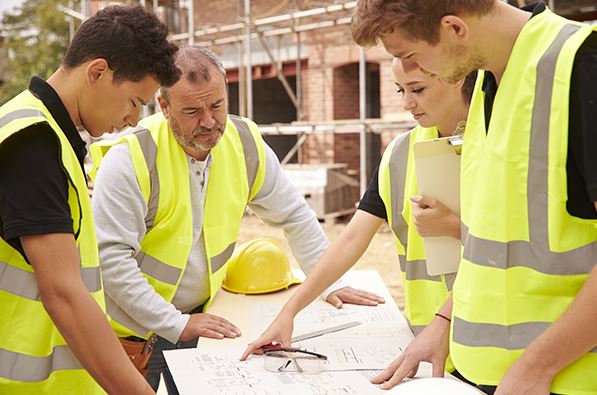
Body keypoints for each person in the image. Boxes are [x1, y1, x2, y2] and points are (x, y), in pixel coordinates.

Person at [89, 45, 385, 394]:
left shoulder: (244, 142)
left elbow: (295, 215)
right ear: (164, 106)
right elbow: (111, 262)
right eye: (192, 111)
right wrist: (176, 323)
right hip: (135, 335)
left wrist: (329, 282)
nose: (209, 121)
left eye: (216, 105)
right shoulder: (130, 158)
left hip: (204, 321)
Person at [351, 1, 597, 394]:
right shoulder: (486, 85)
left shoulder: (581, 69)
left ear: (454, 28)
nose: (412, 73)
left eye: (410, 57)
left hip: (564, 380)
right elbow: (493, 244)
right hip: (497, 377)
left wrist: (536, 367)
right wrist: (444, 324)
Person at [241, 57, 475, 377]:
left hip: (486, 341)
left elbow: (511, 245)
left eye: (417, 89)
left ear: (457, 75)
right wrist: (289, 312)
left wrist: (452, 228)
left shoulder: (494, 145)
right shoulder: (400, 153)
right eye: (400, 90)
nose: (407, 103)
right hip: (425, 339)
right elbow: (351, 238)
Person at [0, 5, 179, 394]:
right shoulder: (33, 143)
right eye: (134, 101)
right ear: (97, 72)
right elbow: (63, 293)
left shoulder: (47, 135)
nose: (134, 120)